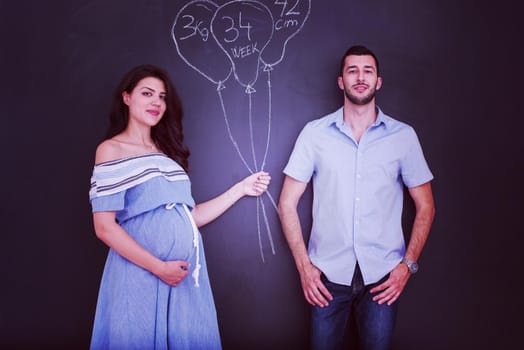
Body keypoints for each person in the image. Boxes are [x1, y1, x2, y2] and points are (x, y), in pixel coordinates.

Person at [88, 64, 270, 350]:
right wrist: (159, 268)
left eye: (162, 97)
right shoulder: (111, 150)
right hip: (141, 273)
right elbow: (104, 227)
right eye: (147, 93)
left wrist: (240, 189)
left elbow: (190, 217)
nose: (156, 103)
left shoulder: (167, 155)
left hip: (184, 278)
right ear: (126, 97)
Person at [278, 45, 435, 350]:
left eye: (368, 71)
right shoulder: (314, 134)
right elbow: (286, 203)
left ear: (379, 81)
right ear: (341, 81)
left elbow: (426, 206)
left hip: (383, 278)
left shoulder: (403, 137)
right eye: (352, 71)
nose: (360, 77)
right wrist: (304, 267)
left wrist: (408, 266)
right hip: (326, 279)